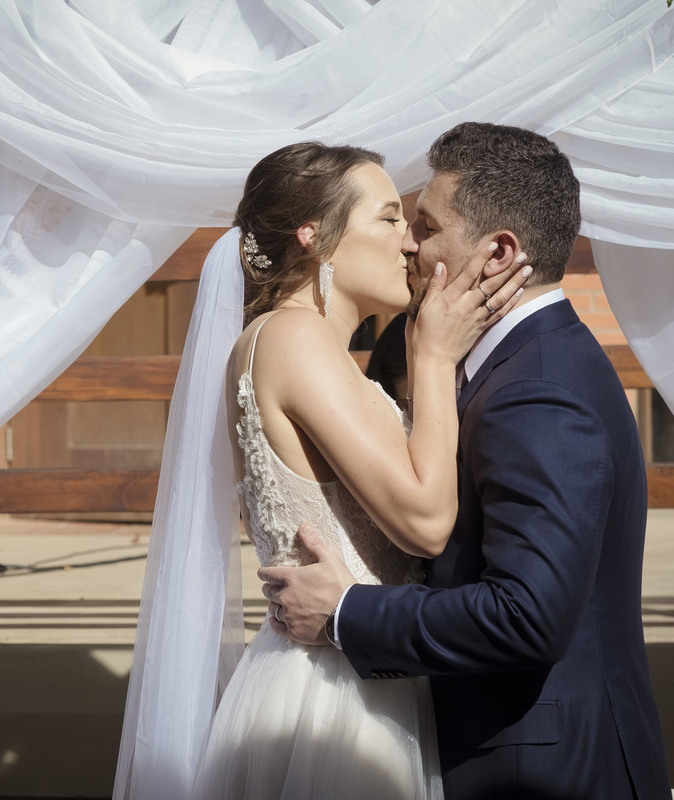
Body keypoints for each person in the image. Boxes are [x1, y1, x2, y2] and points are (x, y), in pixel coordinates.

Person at [261, 122, 671, 799]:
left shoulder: (537, 390)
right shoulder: (524, 366)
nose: (410, 246)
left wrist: (346, 614)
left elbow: (527, 615)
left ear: (499, 251)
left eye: (426, 226)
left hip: (542, 773)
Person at [113, 141, 530, 799]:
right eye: (389, 219)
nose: (409, 244)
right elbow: (424, 523)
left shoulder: (308, 347)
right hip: (335, 701)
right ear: (316, 237)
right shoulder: (293, 336)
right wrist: (433, 357)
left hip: (356, 671)